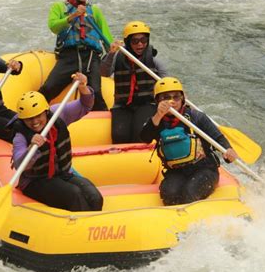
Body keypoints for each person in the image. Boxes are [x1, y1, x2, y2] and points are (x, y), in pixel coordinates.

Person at [10, 73, 103, 211]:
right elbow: (19, 164)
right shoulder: (21, 136)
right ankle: (83, 227)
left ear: (46, 112)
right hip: (36, 181)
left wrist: (83, 87)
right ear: (22, 120)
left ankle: (94, 225)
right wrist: (31, 149)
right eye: (29, 119)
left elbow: (85, 105)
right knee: (74, 195)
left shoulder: (57, 114)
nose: (35, 122)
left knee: (95, 196)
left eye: (38, 116)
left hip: (62, 173)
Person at [140, 77, 238, 205]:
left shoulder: (196, 118)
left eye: (176, 97)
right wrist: (158, 115)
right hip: (176, 171)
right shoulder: (157, 120)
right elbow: (145, 138)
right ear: (157, 101)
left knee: (189, 193)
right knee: (169, 194)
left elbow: (218, 139)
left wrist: (228, 151)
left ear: (182, 99)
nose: (172, 101)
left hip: (204, 169)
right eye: (165, 98)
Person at [39, 0, 113, 111]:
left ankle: (101, 122)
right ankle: (33, 114)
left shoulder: (94, 10)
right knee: (49, 87)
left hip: (91, 57)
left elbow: (106, 35)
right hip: (68, 56)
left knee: (95, 91)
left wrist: (113, 49)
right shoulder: (60, 7)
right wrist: (73, 16)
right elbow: (53, 26)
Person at [101, 21, 167, 143]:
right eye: (135, 41)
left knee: (140, 133)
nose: (140, 44)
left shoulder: (153, 60)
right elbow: (103, 73)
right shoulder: (117, 57)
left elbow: (165, 82)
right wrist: (111, 54)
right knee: (119, 135)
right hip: (123, 105)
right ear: (128, 42)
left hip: (147, 103)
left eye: (143, 40)